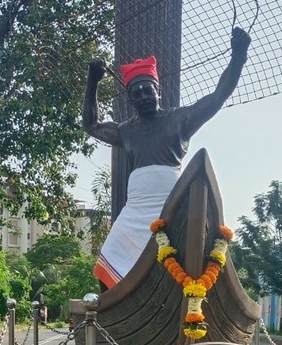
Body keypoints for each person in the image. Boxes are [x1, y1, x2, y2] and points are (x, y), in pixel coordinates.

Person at [83, 26, 251, 289]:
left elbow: (218, 97)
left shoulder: (179, 119)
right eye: (137, 93)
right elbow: (92, 125)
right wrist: (92, 81)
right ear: (131, 100)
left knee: (185, 261)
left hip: (172, 207)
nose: (143, 97)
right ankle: (111, 310)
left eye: (147, 90)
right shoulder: (126, 130)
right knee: (109, 259)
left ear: (158, 91)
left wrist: (238, 57)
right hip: (135, 211)